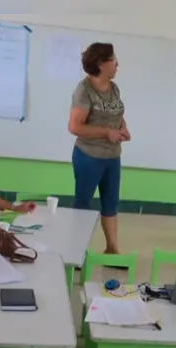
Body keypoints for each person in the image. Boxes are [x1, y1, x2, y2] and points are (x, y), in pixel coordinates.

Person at [68, 42, 130, 256]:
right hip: (89, 156)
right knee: (83, 203)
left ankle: (112, 250)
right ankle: (75, 251)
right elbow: (75, 126)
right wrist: (106, 132)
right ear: (101, 64)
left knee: (111, 203)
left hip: (112, 156)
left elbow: (117, 114)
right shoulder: (84, 90)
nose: (117, 64)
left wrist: (123, 129)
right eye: (113, 60)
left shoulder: (113, 87)